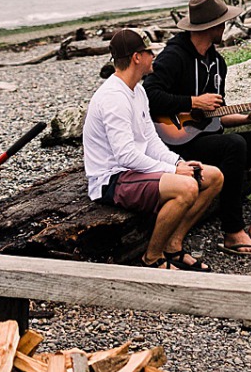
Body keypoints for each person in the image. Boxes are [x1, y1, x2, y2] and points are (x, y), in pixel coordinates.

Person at [145, 0, 251, 256]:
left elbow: (217, 114)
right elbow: (148, 95)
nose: (225, 27)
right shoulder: (175, 56)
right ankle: (232, 231)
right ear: (211, 26)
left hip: (208, 139)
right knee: (234, 145)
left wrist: (250, 116)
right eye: (223, 22)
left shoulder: (217, 62)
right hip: (176, 144)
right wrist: (193, 102)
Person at [83, 28, 224, 271]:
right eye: (150, 52)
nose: (154, 58)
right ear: (137, 57)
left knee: (213, 177)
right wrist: (172, 170)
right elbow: (125, 155)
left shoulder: (137, 90)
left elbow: (150, 140)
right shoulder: (114, 97)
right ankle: (152, 258)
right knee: (187, 186)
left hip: (134, 171)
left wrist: (178, 162)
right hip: (111, 179)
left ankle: (173, 246)